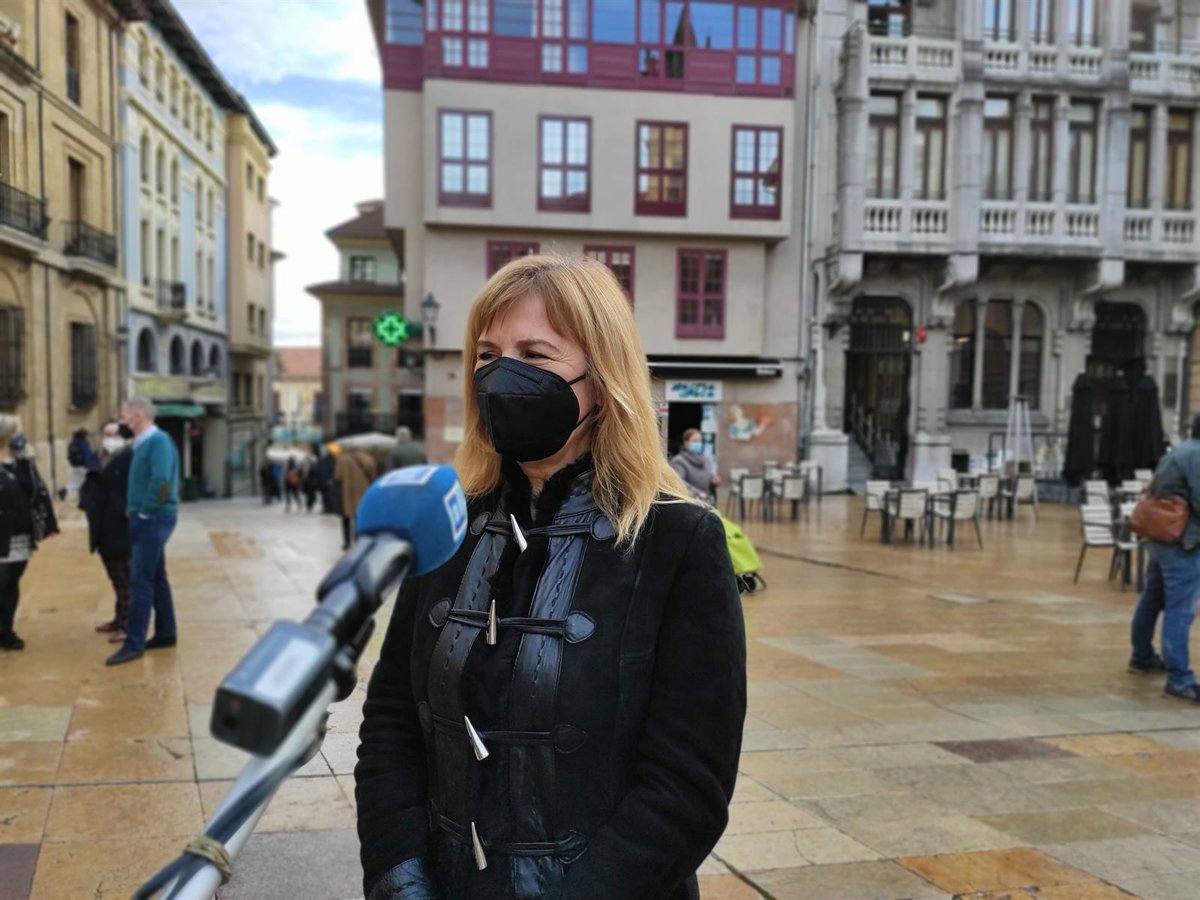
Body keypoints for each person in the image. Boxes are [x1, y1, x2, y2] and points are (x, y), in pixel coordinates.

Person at [355, 255, 746, 900]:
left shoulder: (679, 540)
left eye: (534, 355)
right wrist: (401, 880)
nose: (500, 374)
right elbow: (391, 723)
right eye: (487, 355)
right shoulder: (446, 523)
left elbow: (687, 788)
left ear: (603, 378)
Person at [1130, 413, 1200, 703]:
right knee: (1180, 610)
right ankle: (1179, 680)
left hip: (1160, 536)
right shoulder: (1197, 456)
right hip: (1183, 541)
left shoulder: (1178, 451)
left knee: (1152, 598)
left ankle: (1142, 656)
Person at [107, 397, 180, 667]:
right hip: (148, 518)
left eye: (124, 415)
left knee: (140, 582)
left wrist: (147, 510)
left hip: (152, 519)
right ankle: (166, 632)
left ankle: (134, 642)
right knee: (156, 577)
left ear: (137, 416)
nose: (122, 421)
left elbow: (162, 481)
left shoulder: (158, 442)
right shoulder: (144, 442)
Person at [0, 416, 58, 650]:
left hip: (20, 534)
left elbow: (39, 491)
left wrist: (49, 524)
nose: (21, 436)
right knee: (1, 582)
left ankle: (6, 630)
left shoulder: (23, 461)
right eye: (17, 431)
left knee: (11, 583)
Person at [82, 421, 135, 642]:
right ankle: (119, 618)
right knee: (116, 578)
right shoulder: (100, 458)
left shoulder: (129, 458)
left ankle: (128, 625)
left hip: (120, 526)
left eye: (114, 435)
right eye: (106, 434)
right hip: (104, 527)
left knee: (126, 580)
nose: (109, 440)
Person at [333, 444, 377, 549]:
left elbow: (337, 477)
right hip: (363, 491)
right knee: (359, 515)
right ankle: (358, 538)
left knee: (346, 517)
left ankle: (346, 542)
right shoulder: (368, 459)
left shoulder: (342, 460)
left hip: (346, 492)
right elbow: (373, 476)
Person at [670, 427, 720, 502]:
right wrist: (697, 493)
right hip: (689, 502)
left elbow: (704, 477)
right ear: (686, 443)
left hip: (705, 501)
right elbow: (679, 482)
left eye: (700, 440)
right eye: (694, 441)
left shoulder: (705, 459)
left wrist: (712, 480)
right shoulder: (679, 461)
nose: (698, 443)